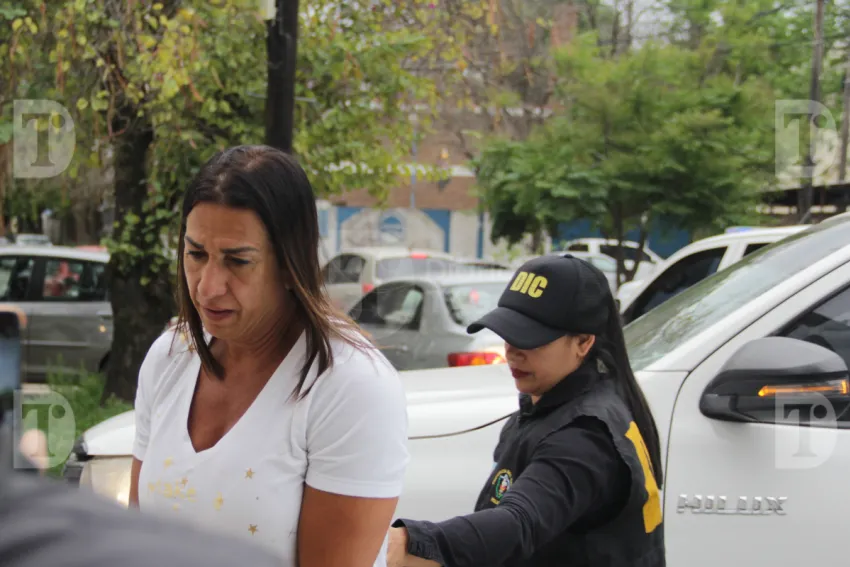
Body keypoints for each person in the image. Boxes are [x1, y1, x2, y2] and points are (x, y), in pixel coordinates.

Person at [128, 145, 410, 567]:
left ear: (290, 264)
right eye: (196, 254)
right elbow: (133, 539)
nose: (208, 286)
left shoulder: (352, 386)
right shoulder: (169, 357)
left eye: (238, 261)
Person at [386, 254, 666, 567]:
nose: (512, 351)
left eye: (531, 338)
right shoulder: (563, 402)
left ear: (583, 342)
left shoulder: (584, 436)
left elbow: (520, 522)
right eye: (508, 333)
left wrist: (414, 543)